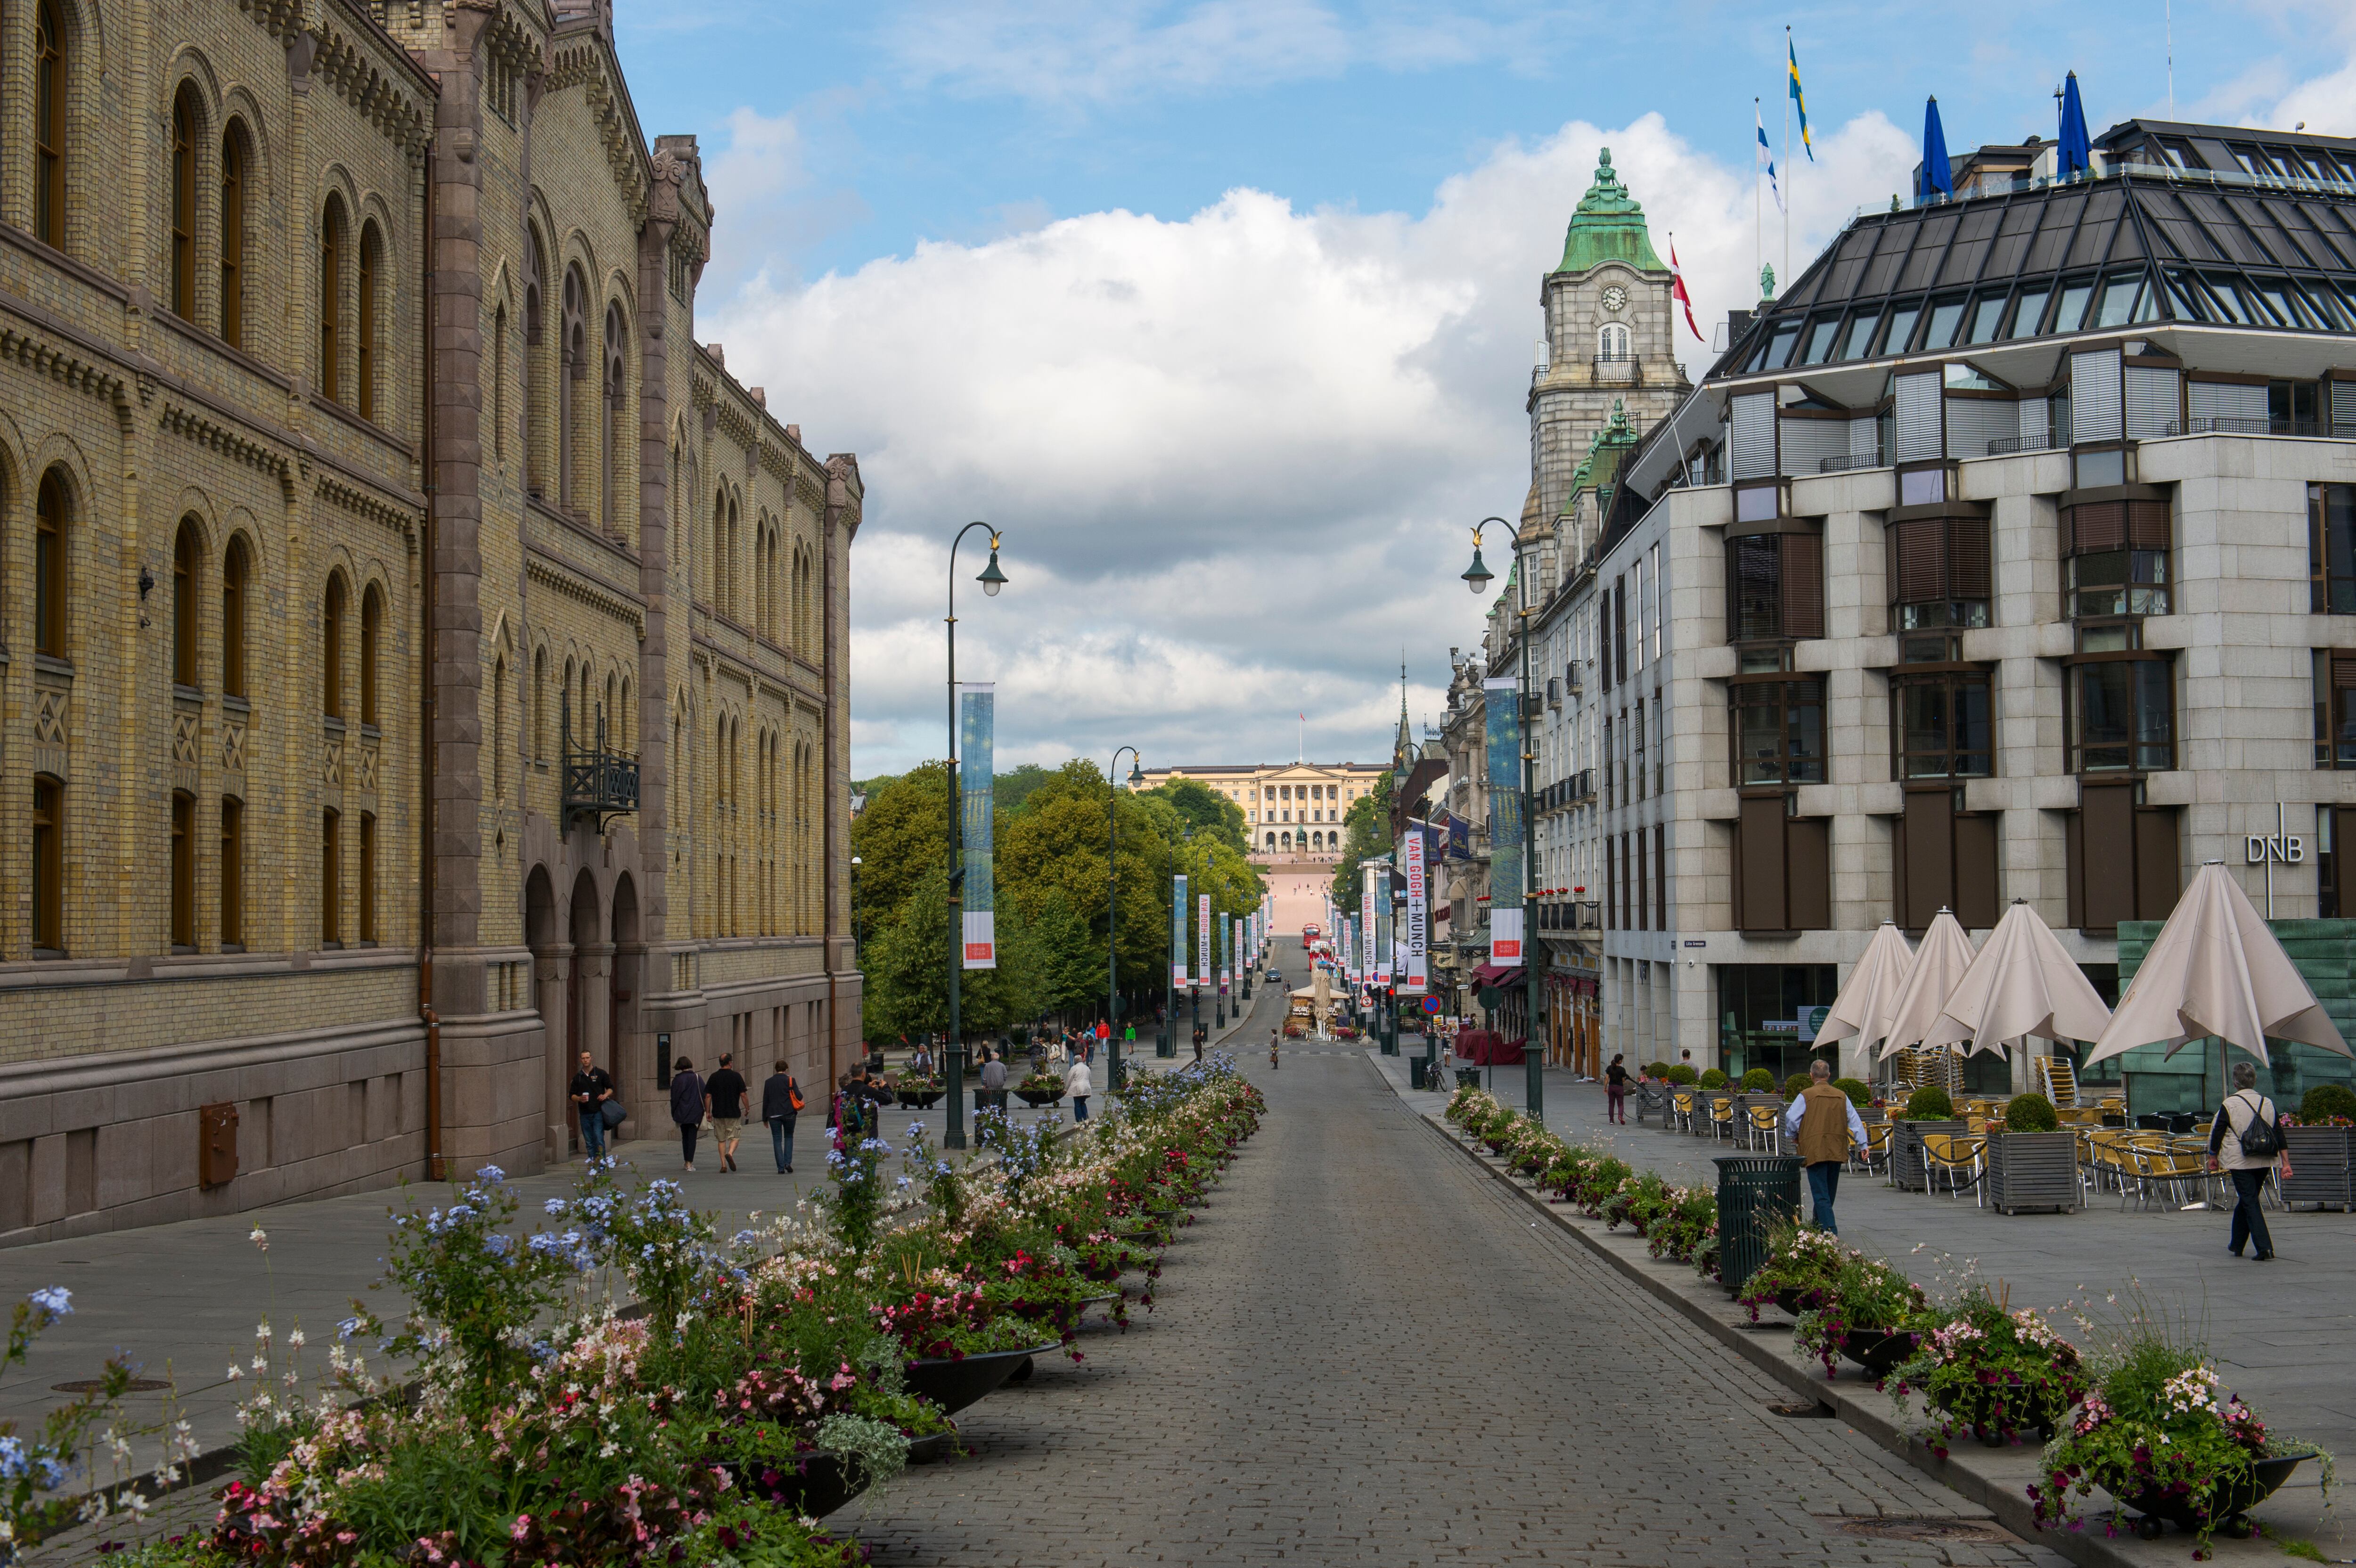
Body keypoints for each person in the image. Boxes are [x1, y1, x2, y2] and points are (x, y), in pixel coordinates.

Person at [2209, 1062, 2291, 1261]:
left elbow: (2217, 1133)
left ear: (2235, 1083)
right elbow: (2278, 1133)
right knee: (2248, 1199)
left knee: (2250, 1201)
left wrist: (2213, 1157)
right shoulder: (2268, 1102)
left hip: (2241, 1160)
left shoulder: (2229, 1104)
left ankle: (2265, 1248)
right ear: (2254, 1080)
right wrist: (2286, 1163)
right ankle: (2236, 1244)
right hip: (2265, 1158)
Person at [1783, 1061, 1868, 1234]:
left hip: (1814, 1149)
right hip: (1836, 1147)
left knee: (1820, 1192)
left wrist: (1794, 1135)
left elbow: (1791, 1118)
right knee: (1829, 1192)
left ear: (1811, 1076)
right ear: (1829, 1076)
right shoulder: (1841, 1095)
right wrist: (1863, 1144)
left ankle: (1830, 1230)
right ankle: (1818, 1225)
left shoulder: (1806, 1095)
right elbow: (1855, 1121)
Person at [704, 1053, 748, 1173]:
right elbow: (743, 1094)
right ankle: (730, 1153)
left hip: (718, 1113)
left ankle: (723, 1165)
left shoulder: (713, 1077)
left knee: (721, 1139)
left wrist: (708, 1111)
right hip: (733, 1112)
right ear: (730, 1063)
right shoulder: (736, 1076)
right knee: (735, 1137)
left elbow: (708, 1095)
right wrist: (747, 1108)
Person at [569, 1050, 614, 1159]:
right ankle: (593, 1165)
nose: (586, 1060)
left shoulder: (600, 1073)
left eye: (587, 1058)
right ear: (581, 1060)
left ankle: (602, 1166)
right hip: (584, 1113)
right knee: (589, 1142)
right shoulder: (578, 1077)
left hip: (598, 1112)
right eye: (583, 1058)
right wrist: (579, 1098)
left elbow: (611, 1088)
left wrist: (605, 1095)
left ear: (591, 1058)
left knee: (599, 1139)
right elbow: (571, 1095)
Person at [761, 1060, 802, 1174]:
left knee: (777, 1139)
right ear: (786, 1069)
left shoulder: (768, 1082)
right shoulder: (790, 1080)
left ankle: (780, 1168)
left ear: (776, 1069)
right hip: (789, 1113)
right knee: (789, 1137)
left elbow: (766, 1101)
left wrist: (764, 1118)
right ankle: (787, 1163)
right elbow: (799, 1096)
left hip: (773, 1115)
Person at [669, 1056, 705, 1172]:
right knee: (692, 1138)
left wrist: (674, 1111)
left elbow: (674, 1098)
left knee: (685, 1137)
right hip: (696, 1112)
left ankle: (686, 1162)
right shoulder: (697, 1078)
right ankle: (690, 1162)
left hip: (682, 1112)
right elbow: (704, 1094)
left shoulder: (677, 1080)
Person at [1604, 1054, 1630, 1124]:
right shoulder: (1622, 1070)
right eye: (1622, 1060)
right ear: (1620, 1061)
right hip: (1619, 1088)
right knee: (1621, 1104)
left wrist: (1605, 1087)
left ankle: (1611, 1120)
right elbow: (1623, 1081)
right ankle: (1620, 1116)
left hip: (1612, 1087)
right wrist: (1625, 1078)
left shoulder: (1610, 1068)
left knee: (1611, 1104)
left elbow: (1607, 1078)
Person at [1067, 1053, 1093, 1121]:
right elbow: (1090, 1079)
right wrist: (1090, 1087)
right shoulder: (1087, 1068)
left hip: (1077, 1088)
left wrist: (1066, 1088)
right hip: (1086, 1087)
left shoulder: (1074, 1068)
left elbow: (1069, 1079)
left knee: (1077, 1104)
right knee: (1083, 1103)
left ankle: (1079, 1119)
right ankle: (1086, 1117)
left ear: (1075, 1061)